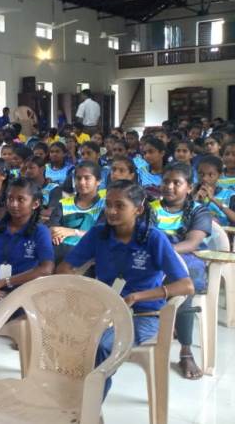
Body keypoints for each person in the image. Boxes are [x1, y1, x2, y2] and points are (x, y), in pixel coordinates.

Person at [56, 180, 194, 396]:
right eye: (108, 204)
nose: (111, 211)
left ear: (138, 209)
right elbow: (65, 268)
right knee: (61, 335)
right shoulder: (99, 233)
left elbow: (186, 285)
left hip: (143, 313)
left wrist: (136, 297)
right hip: (103, 308)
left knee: (102, 345)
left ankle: (88, 407)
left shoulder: (153, 238)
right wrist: (84, 293)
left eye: (119, 206)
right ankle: (71, 398)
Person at [0, 177, 54, 388]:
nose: (13, 204)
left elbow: (46, 268)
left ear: (35, 204)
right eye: (10, 198)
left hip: (21, 295)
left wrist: (2, 283)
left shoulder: (40, 232)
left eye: (20, 199)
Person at [150, 162, 212, 379]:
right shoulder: (150, 208)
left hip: (187, 258)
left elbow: (193, 243)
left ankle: (185, 350)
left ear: (189, 187)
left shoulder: (199, 211)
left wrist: (163, 253)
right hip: (155, 256)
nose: (169, 186)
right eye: (166, 181)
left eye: (177, 182)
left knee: (183, 280)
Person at [49, 161, 105, 263]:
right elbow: (54, 228)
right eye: (78, 178)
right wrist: (54, 232)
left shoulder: (105, 205)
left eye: (87, 178)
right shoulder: (63, 204)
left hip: (90, 258)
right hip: (60, 254)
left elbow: (102, 236)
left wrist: (73, 232)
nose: (82, 182)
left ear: (98, 181)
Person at [195, 155, 235, 225]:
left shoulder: (229, 194)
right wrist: (196, 201)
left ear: (220, 175)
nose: (204, 178)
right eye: (201, 174)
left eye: (211, 175)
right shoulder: (191, 193)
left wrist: (213, 199)